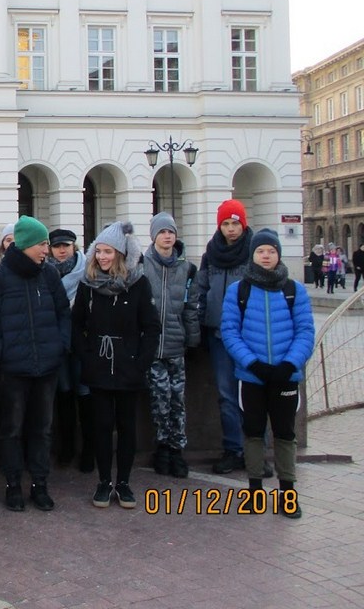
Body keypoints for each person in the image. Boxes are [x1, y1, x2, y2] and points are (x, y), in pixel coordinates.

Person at [0, 216, 71, 513]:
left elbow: (63, 314)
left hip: (47, 365)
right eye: (43, 243)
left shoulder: (50, 276)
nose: (48, 249)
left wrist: (60, 346)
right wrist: (0, 351)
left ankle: (40, 485)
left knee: (42, 429)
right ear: (27, 244)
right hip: (12, 367)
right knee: (12, 429)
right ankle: (13, 484)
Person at [220, 228, 314, 518]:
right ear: (253, 255)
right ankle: (255, 491)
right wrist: (253, 363)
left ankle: (288, 493)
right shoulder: (239, 290)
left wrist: (289, 365)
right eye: (261, 251)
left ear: (278, 255)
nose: (266, 256)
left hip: (286, 376)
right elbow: (230, 331)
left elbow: (305, 332)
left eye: (271, 251)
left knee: (285, 435)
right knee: (253, 432)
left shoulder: (294, 290)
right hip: (252, 376)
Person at [72, 222, 160, 509]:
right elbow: (77, 325)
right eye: (98, 251)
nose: (102, 257)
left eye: (108, 251)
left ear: (120, 254)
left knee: (126, 426)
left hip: (128, 366)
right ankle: (103, 481)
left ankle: (123, 482)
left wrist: (141, 362)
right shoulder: (88, 285)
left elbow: (151, 327)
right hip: (98, 364)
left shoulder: (138, 283)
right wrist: (86, 355)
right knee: (100, 426)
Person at [196, 199, 256, 475]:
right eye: (226, 224)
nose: (231, 229)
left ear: (243, 224)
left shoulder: (255, 251)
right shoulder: (211, 253)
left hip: (250, 336)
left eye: (235, 223)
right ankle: (233, 449)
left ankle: (257, 451)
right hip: (219, 334)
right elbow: (201, 289)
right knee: (226, 395)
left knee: (255, 395)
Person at [142, 213, 200, 479]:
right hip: (152, 347)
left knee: (178, 400)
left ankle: (177, 450)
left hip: (176, 346)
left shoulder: (186, 269)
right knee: (159, 400)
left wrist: (193, 337)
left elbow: (191, 307)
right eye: (162, 232)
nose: (167, 236)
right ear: (154, 235)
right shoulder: (142, 265)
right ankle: (162, 448)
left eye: (171, 232)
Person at [46, 228, 92, 472]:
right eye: (57, 246)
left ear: (75, 246)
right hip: (58, 344)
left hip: (82, 344)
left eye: (66, 245)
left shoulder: (88, 272)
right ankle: (67, 447)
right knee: (63, 395)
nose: (62, 250)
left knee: (85, 395)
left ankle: (89, 450)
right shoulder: (45, 273)